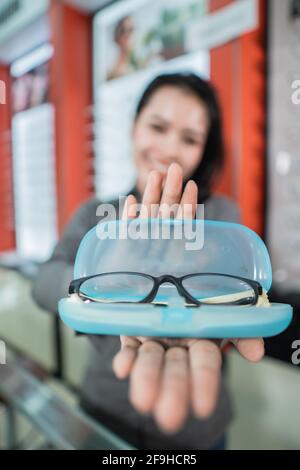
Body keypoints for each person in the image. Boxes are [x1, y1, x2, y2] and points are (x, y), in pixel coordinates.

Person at [32, 72, 264, 450]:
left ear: (205, 150)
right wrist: (98, 283)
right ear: (134, 127)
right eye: (158, 126)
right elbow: (43, 281)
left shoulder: (220, 215)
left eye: (189, 138)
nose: (170, 147)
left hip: (197, 426)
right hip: (104, 413)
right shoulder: (97, 214)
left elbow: (239, 288)